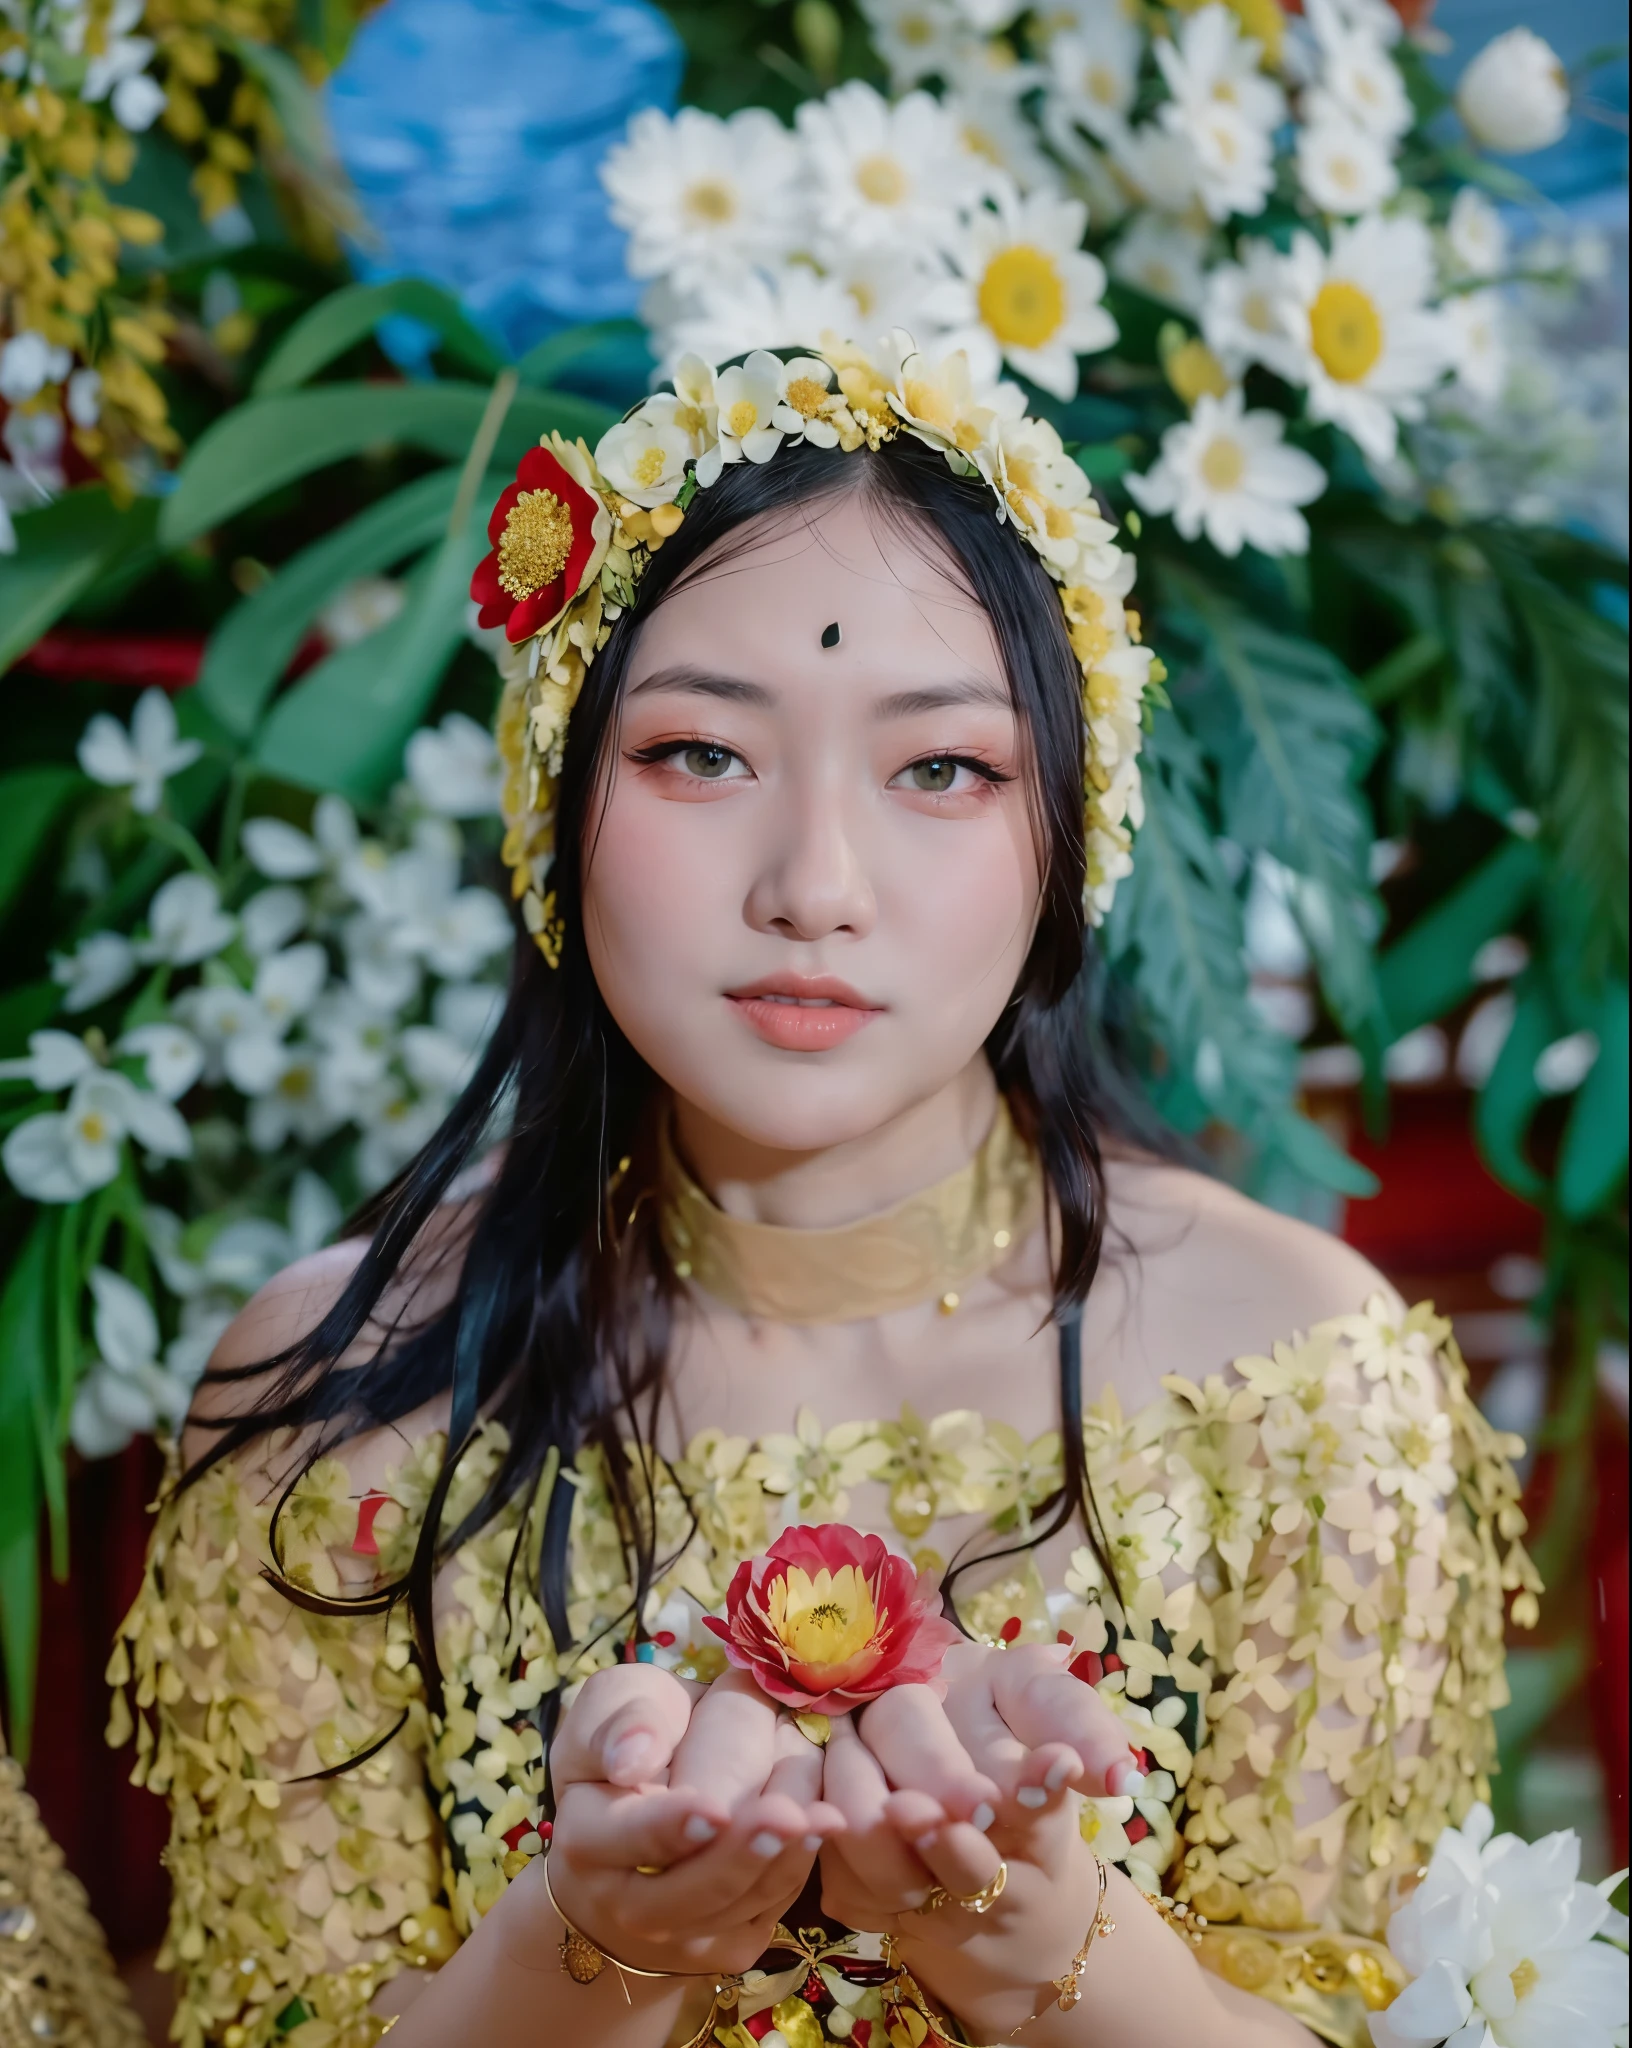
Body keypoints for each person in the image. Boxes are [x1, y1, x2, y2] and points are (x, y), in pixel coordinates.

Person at [109, 340, 1535, 2048]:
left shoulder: (1306, 1386)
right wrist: (588, 1955)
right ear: (554, 802)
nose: (814, 887)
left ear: (1073, 833)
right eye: (704, 755)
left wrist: (1045, 1958)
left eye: (942, 769)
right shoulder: (338, 1413)